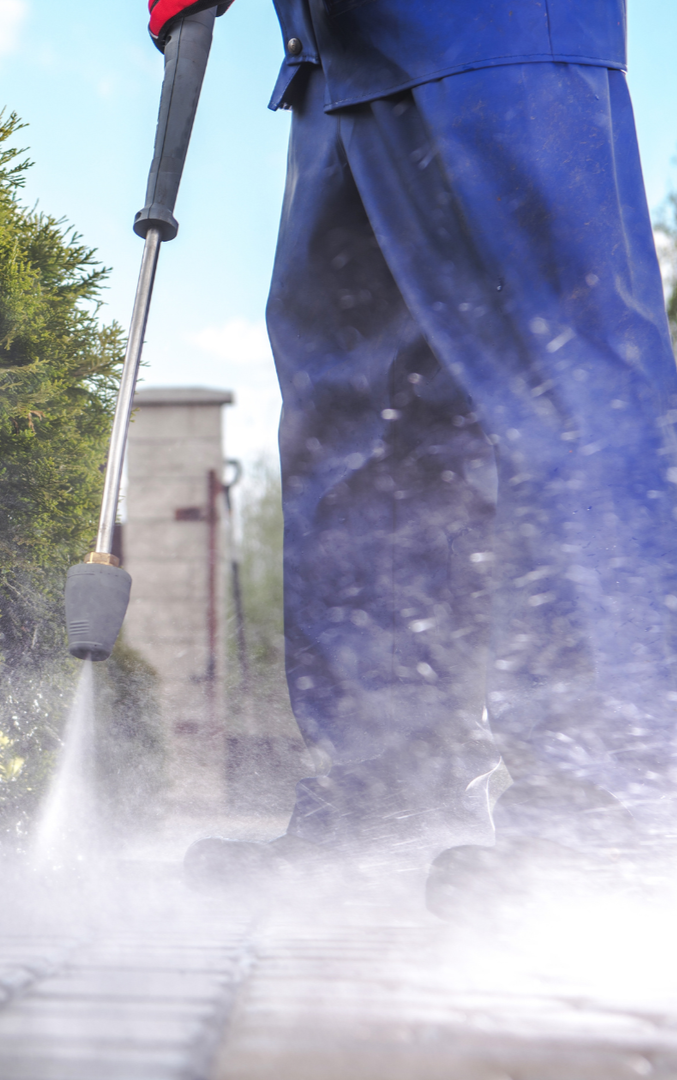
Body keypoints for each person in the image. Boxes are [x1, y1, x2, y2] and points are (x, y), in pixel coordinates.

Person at [146, 0, 677, 899]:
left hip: (493, 31)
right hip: (334, 54)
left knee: (564, 377)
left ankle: (611, 812)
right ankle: (386, 792)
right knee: (362, 422)